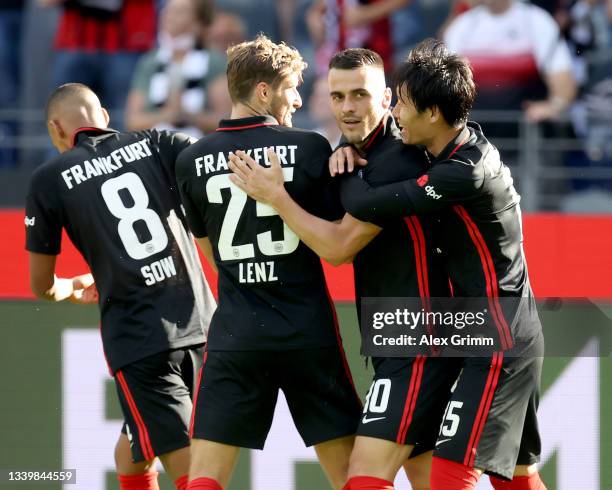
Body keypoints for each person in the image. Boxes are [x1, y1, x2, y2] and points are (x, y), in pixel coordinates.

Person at [228, 48, 463, 490]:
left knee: (364, 479)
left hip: (418, 339)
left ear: (388, 98)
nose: (348, 108)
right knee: (432, 481)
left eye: (360, 94)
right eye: (337, 97)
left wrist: (276, 197)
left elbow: (339, 250)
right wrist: (343, 152)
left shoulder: (399, 159)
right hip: (400, 338)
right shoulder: (355, 151)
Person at [323, 40, 547, 489]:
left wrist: (347, 169)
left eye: (402, 106)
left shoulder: (462, 172)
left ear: (433, 115)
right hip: (483, 330)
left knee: (450, 477)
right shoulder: (451, 149)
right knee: (517, 480)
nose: (396, 116)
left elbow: (371, 205)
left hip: (499, 340)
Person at [175, 35, 362, 490]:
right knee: (352, 478)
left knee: (204, 479)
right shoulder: (311, 148)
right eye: (292, 87)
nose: (298, 98)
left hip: (237, 335)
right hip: (306, 332)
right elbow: (335, 239)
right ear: (264, 92)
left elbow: (213, 256)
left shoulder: (191, 159)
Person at [25, 83, 216, 490]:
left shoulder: (49, 179)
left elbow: (41, 284)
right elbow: (214, 162)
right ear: (106, 117)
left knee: (194, 475)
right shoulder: (159, 142)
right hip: (204, 324)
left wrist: (69, 288)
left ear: (57, 130)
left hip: (142, 343)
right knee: (132, 451)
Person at [125, 0, 226, 137]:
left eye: (180, 11)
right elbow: (132, 121)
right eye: (167, 9)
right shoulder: (150, 61)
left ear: (198, 23)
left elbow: (226, 120)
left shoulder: (213, 61)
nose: (168, 15)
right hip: (155, 149)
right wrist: (169, 115)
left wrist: (188, 117)